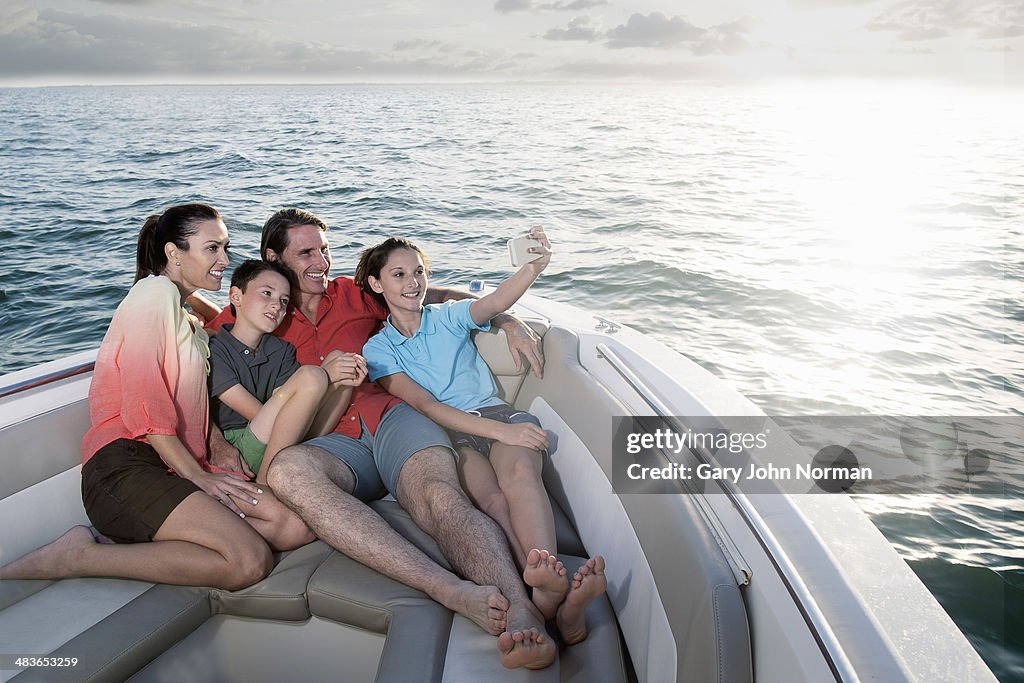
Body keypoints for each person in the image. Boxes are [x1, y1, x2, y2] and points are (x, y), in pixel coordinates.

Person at [205, 208, 556, 669]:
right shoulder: (261, 308)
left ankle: (522, 607)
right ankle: (443, 587)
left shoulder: (353, 291)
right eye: (306, 252)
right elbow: (203, 369)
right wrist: (215, 437)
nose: (321, 262)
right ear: (273, 257)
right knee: (288, 471)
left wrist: (505, 321)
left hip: (392, 416)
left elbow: (427, 300)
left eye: (325, 250)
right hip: (328, 437)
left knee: (437, 494)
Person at [0, 204, 311, 592]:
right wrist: (196, 475)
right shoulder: (153, 292)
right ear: (173, 253)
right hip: (127, 464)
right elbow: (146, 403)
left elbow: (201, 378)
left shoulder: (185, 320)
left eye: (225, 248)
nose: (224, 259)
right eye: (212, 248)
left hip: (173, 459)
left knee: (293, 526)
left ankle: (173, 534)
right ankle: (77, 555)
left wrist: (214, 444)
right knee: (249, 561)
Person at [357, 229, 606, 644]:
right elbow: (427, 407)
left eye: (418, 272)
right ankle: (561, 611)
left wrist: (532, 269)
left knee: (522, 477)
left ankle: (545, 584)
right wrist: (501, 432)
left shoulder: (448, 316)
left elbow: (495, 302)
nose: (413, 282)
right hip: (454, 433)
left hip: (497, 413)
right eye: (398, 275)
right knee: (489, 501)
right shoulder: (378, 349)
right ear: (377, 284)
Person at [209, 259, 363, 484]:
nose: (277, 305)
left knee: (340, 360)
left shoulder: (280, 350)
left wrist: (338, 376)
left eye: (284, 300)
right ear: (236, 296)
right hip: (240, 447)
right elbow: (259, 413)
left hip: (281, 440)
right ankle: (266, 483)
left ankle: (277, 470)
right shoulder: (215, 349)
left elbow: (295, 417)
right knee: (313, 375)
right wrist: (325, 374)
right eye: (267, 293)